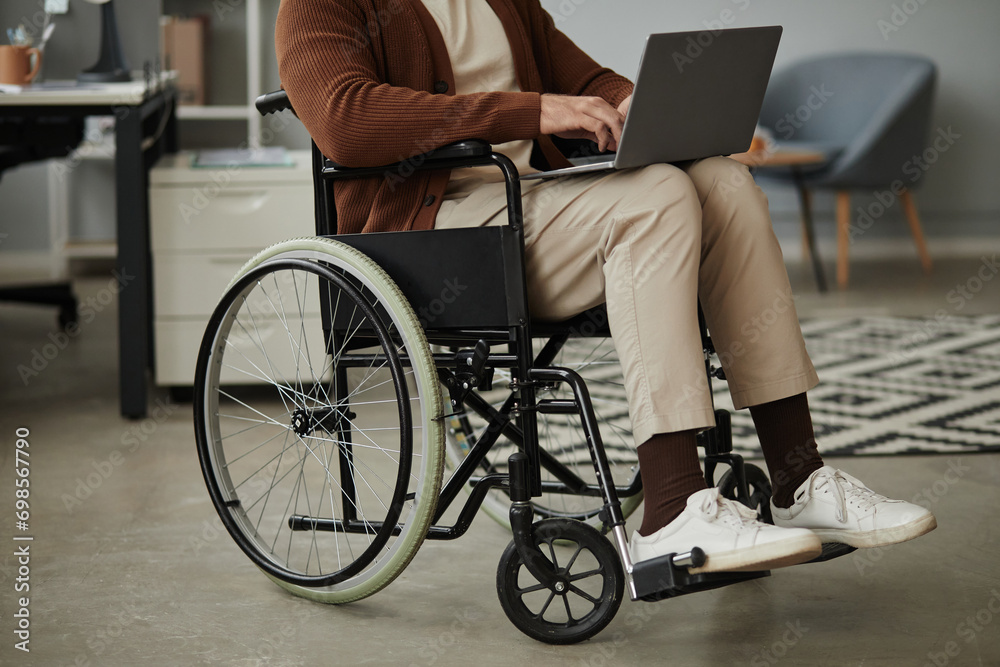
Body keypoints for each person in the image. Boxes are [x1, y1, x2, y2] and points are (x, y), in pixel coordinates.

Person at [275, 0, 936, 573]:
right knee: (656, 196)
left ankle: (800, 477)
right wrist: (529, 111)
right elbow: (344, 118)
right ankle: (672, 510)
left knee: (725, 185)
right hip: (434, 230)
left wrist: (635, 106)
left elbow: (587, 80)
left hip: (528, 205)